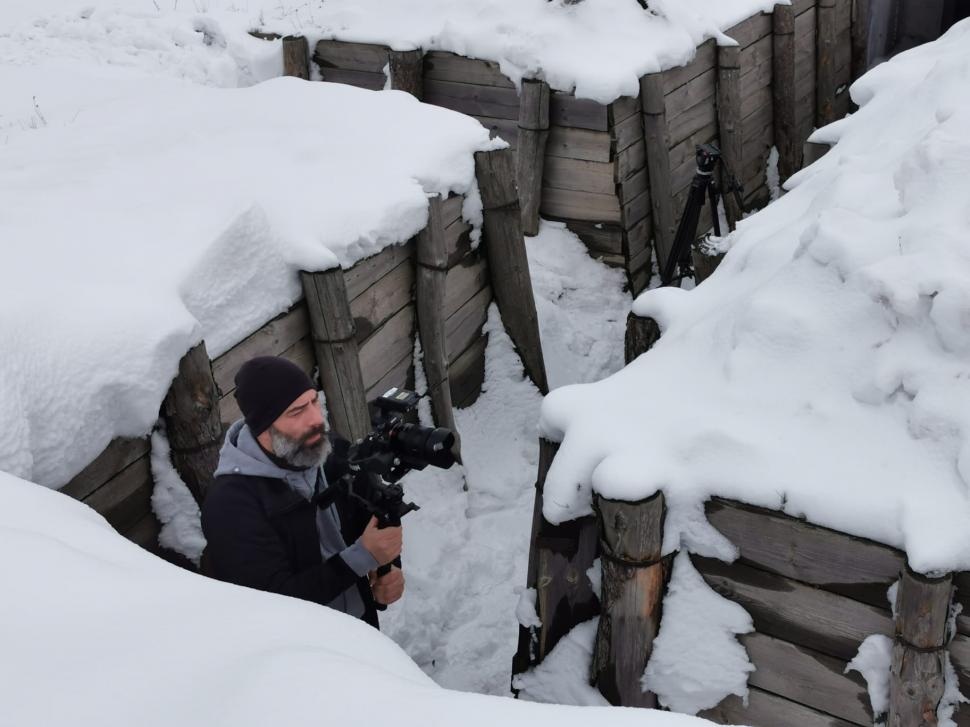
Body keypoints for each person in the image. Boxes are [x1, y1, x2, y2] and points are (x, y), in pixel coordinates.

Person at [201, 355, 404, 628]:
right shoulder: (230, 505)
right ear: (264, 428)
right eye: (296, 412)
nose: (316, 419)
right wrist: (359, 558)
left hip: (360, 629)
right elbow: (273, 603)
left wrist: (386, 571)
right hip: (301, 652)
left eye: (313, 402)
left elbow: (370, 519)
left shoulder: (327, 451)